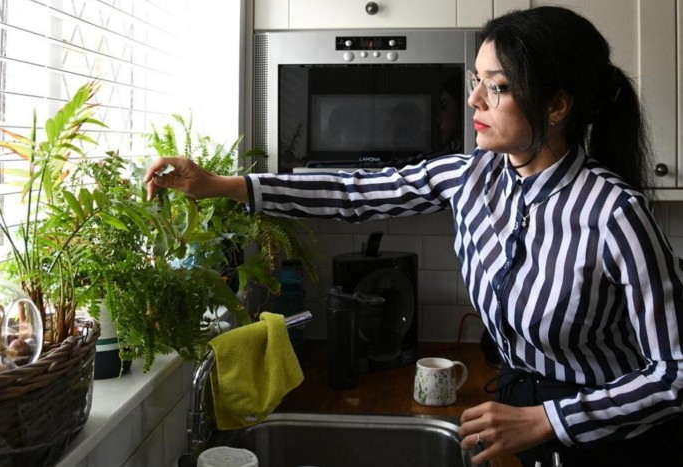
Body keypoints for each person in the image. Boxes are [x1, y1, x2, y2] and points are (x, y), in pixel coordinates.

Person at [144, 6, 683, 466]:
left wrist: (551, 419)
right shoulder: (471, 178)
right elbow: (353, 193)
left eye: (495, 87)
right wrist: (218, 185)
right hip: (518, 422)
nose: (473, 101)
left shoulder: (613, 213)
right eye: (476, 81)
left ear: (556, 106)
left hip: (611, 440)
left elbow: (675, 373)